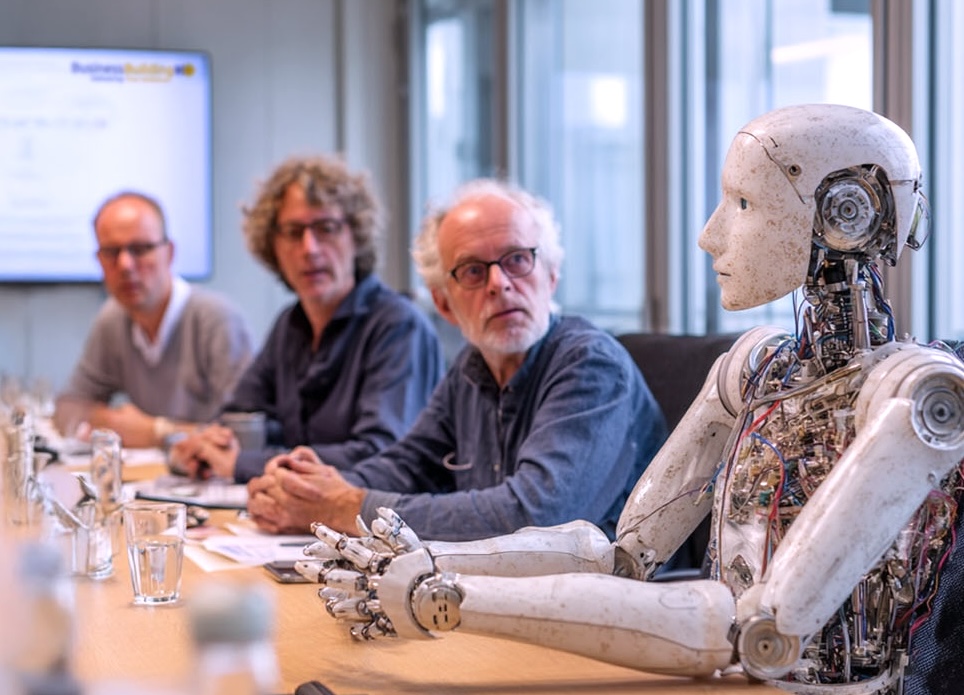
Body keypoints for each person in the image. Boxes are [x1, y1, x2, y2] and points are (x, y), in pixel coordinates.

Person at [297, 104, 964, 694]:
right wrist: (427, 558)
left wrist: (445, 595)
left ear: (844, 211)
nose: (709, 235)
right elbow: (620, 554)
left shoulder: (919, 399)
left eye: (742, 204)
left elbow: (758, 629)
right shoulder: (759, 364)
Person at [245, 178, 667, 541]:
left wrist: (346, 506)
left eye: (517, 260)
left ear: (551, 274)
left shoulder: (590, 364)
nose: (499, 284)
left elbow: (536, 519)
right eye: (472, 271)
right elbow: (407, 465)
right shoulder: (471, 368)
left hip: (607, 611)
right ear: (443, 304)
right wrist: (303, 491)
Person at [170, 155, 445, 482]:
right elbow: (238, 416)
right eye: (293, 231)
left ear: (355, 237)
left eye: (326, 228)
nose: (310, 248)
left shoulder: (399, 326)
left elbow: (380, 452)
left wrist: (243, 462)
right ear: (272, 245)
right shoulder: (290, 324)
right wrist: (208, 443)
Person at [54, 191, 253, 448]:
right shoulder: (113, 318)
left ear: (169, 253)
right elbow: (67, 408)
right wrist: (111, 421)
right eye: (112, 252)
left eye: (140, 249)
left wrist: (156, 431)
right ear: (99, 261)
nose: (125, 265)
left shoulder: (217, 320)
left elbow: (246, 438)